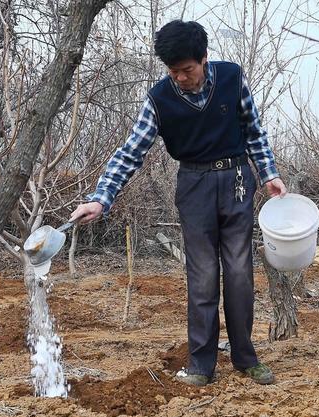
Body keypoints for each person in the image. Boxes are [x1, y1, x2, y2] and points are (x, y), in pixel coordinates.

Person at [69, 20, 287, 386]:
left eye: (187, 70)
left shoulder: (232, 78)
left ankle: (246, 357)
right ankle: (201, 365)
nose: (181, 78)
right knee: (202, 276)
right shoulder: (160, 98)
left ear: (204, 59)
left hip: (236, 180)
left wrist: (269, 174)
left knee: (239, 274)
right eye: (174, 72)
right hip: (194, 184)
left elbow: (253, 130)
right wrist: (101, 199)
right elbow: (130, 152)